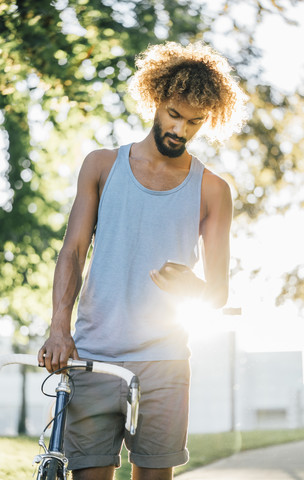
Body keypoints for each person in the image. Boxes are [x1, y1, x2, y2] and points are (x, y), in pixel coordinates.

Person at [38, 41, 248, 480]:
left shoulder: (213, 190)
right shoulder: (100, 166)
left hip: (166, 361)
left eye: (194, 122)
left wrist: (192, 288)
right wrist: (59, 328)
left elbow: (218, 293)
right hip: (93, 355)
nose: (181, 130)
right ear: (155, 100)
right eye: (174, 114)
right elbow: (73, 251)